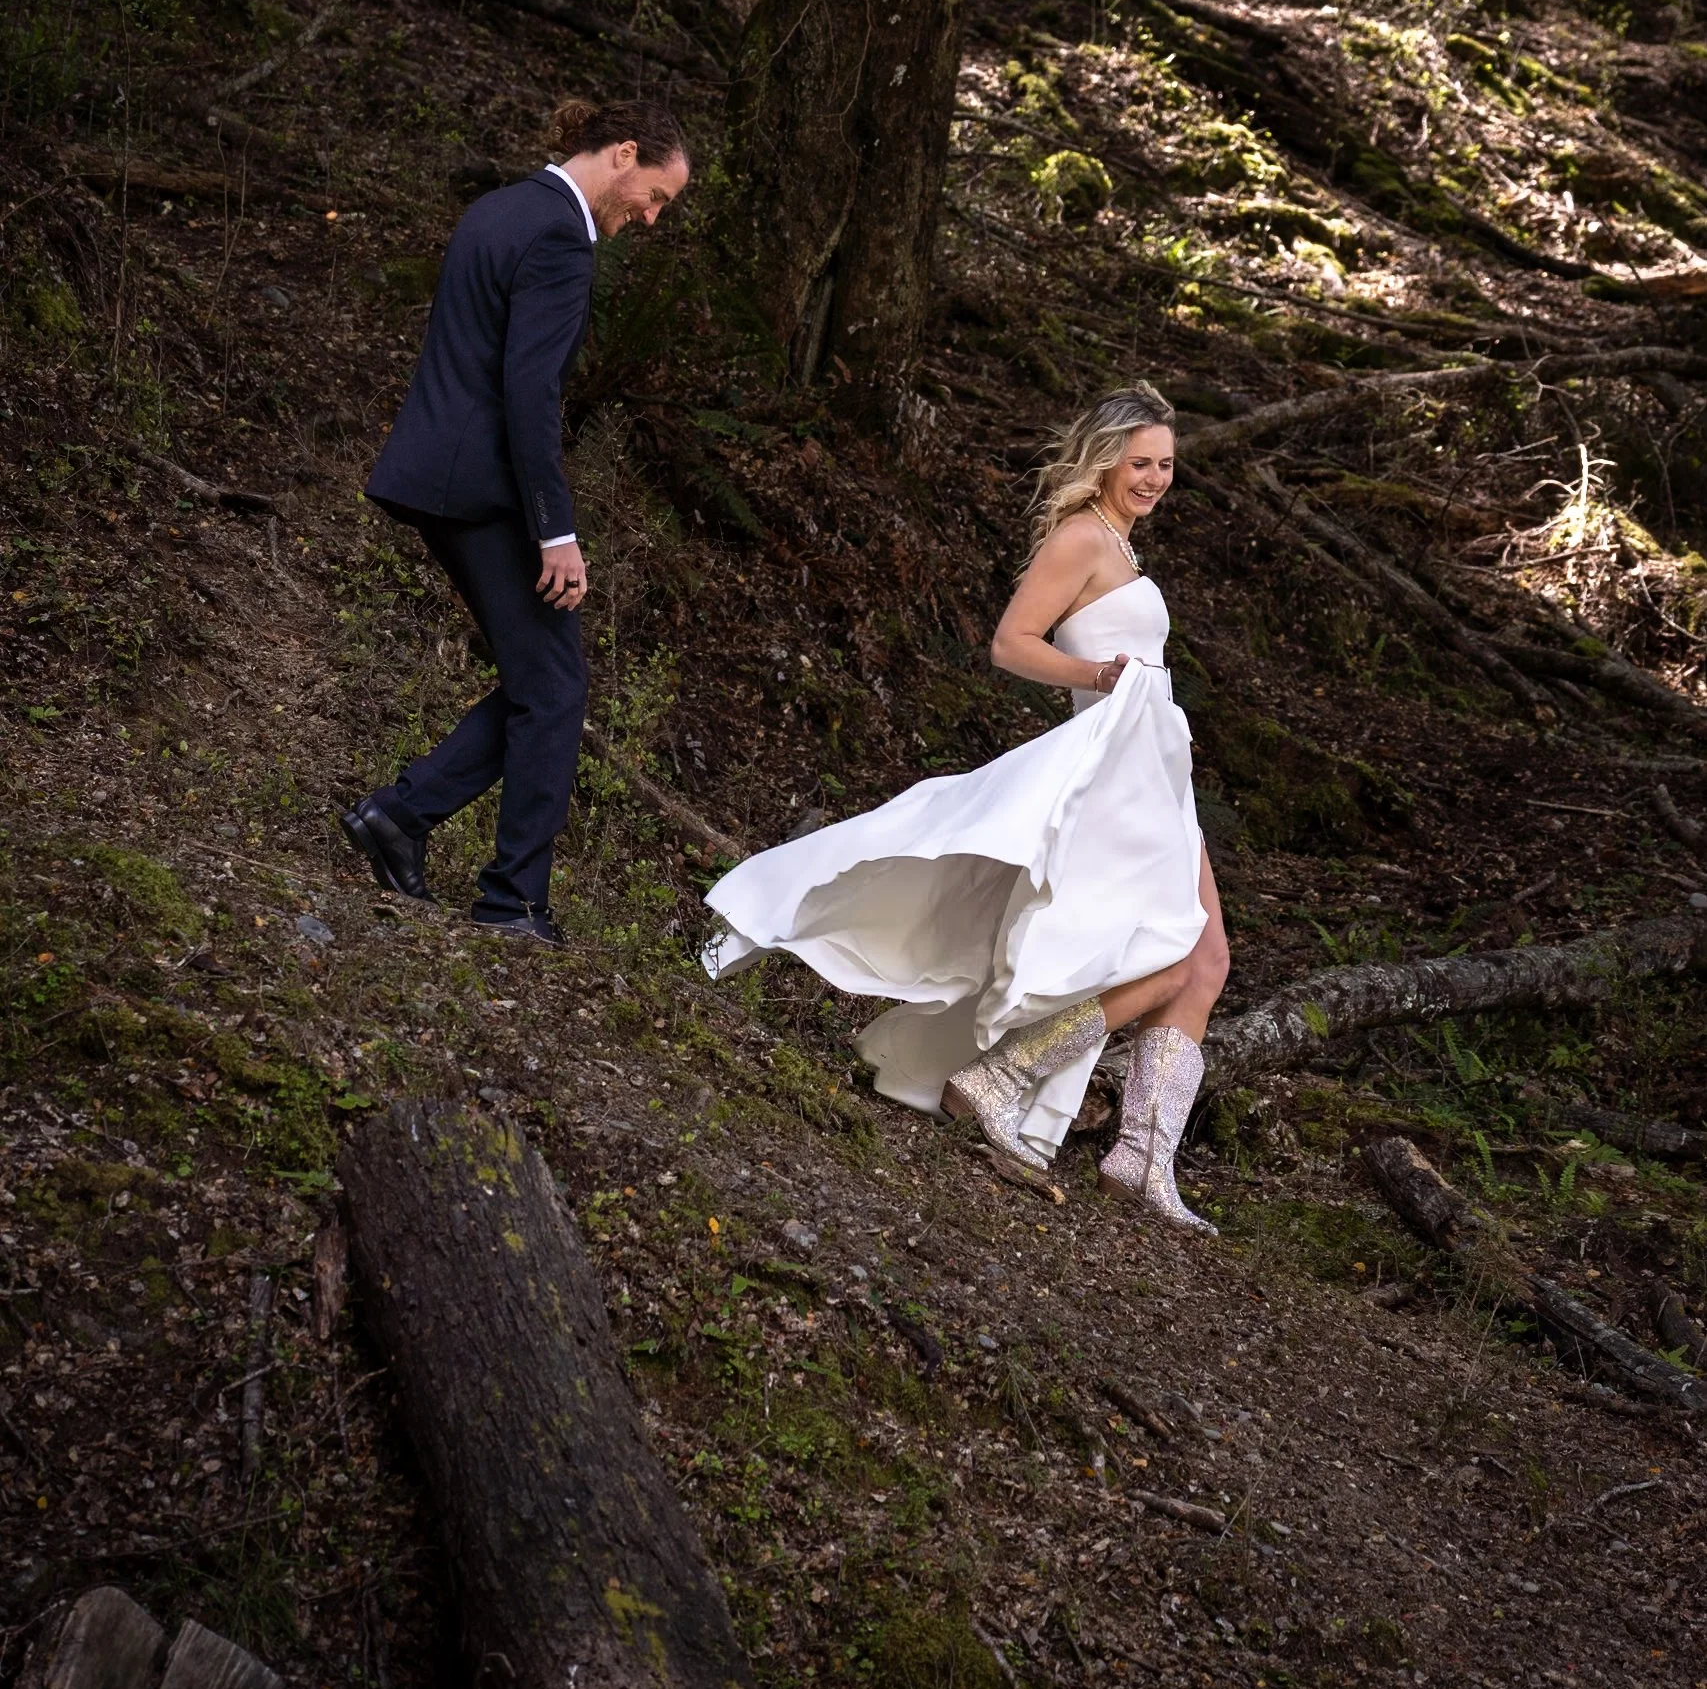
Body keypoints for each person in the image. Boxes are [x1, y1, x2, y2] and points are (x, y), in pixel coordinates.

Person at [701, 385, 1229, 1228]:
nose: (1154, 479)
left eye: (1164, 465)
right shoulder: (1083, 538)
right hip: (1109, 775)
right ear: (1102, 461)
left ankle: (1142, 1156)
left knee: (1204, 962)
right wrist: (1097, 678)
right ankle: (1008, 1076)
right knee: (1170, 955)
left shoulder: (1125, 551)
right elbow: (1011, 643)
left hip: (1153, 769)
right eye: (1139, 463)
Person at [340, 97, 690, 943]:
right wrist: (554, 529)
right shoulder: (562, 239)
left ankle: (401, 818)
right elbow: (529, 394)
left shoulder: (500, 207)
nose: (648, 218)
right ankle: (511, 902)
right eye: (655, 197)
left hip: (438, 476)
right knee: (555, 688)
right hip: (481, 489)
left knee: (546, 684)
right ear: (624, 153)